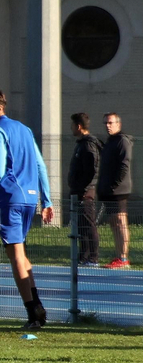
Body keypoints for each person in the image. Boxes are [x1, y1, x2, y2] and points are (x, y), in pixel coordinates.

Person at [0, 89, 53, 331]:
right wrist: (46, 201)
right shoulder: (24, 129)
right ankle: (37, 306)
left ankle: (33, 314)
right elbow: (40, 165)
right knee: (20, 253)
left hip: (9, 198)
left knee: (15, 255)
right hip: (29, 198)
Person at [98, 112, 132, 269]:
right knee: (113, 223)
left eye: (110, 123)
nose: (108, 126)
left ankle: (123, 258)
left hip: (118, 191)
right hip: (107, 191)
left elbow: (124, 165)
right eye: (106, 123)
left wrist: (115, 184)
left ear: (118, 124)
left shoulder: (122, 141)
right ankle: (118, 255)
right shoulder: (109, 142)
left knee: (120, 222)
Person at [69, 113, 102, 267]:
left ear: (79, 126)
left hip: (85, 193)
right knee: (81, 225)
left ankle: (93, 257)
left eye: (72, 125)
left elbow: (92, 170)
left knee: (88, 224)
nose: (71, 128)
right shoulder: (81, 144)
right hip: (78, 192)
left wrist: (84, 189)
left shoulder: (88, 145)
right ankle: (84, 256)